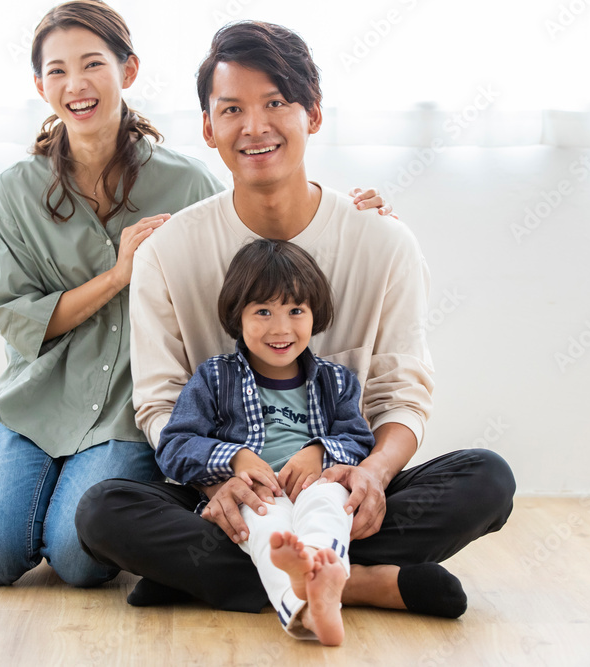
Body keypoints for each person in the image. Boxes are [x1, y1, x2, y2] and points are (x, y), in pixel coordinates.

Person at [76, 20, 516, 616]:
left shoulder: (384, 242)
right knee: (102, 511)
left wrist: (372, 475)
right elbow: (160, 405)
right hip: (232, 499)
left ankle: (221, 578)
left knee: (487, 478)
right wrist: (220, 484)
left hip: (339, 494)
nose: (254, 126)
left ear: (313, 113)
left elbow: (402, 395)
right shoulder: (167, 252)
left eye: (276, 103)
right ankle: (358, 581)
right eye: (232, 109)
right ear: (208, 127)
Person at [0, 0, 396, 588]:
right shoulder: (15, 191)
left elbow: (261, 238)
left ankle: (315, 572)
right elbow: (16, 319)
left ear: (128, 70)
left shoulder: (187, 182)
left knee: (81, 561)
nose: (76, 84)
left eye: (92, 64)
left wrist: (355, 216)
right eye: (57, 70)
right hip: (36, 403)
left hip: (125, 415)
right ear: (40, 85)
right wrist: (117, 276)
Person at [157, 238, 377, 644]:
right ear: (237, 316)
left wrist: (319, 451)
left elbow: (359, 440)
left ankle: (316, 579)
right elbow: (174, 446)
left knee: (330, 506)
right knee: (265, 529)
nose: (281, 328)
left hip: (317, 484)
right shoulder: (215, 377)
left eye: (296, 310)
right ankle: (312, 603)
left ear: (315, 314)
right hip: (255, 494)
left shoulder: (336, 380)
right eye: (263, 311)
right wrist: (235, 457)